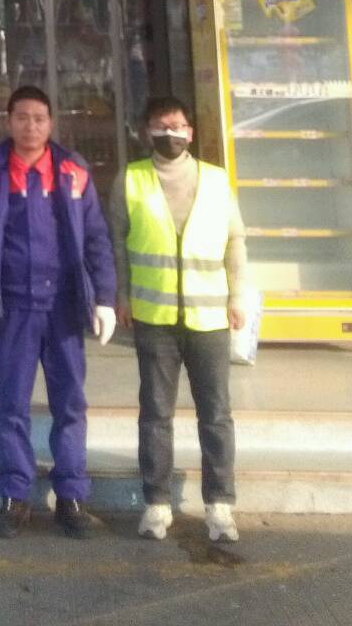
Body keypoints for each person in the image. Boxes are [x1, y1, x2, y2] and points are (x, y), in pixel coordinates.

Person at [0, 85, 117, 540]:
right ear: (9, 122)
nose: (31, 126)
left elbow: (96, 239)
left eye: (39, 118)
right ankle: (15, 495)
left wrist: (104, 298)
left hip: (63, 306)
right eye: (22, 117)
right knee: (11, 405)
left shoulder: (72, 172)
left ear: (51, 123)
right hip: (10, 307)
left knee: (70, 404)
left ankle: (71, 494)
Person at [110, 95, 248, 544]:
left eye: (178, 126)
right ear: (146, 131)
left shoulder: (216, 180)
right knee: (155, 414)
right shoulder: (131, 179)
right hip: (154, 318)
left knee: (216, 414)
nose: (170, 133)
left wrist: (238, 296)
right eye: (161, 126)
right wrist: (122, 296)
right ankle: (156, 502)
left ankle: (220, 503)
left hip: (210, 316)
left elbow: (235, 241)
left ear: (190, 131)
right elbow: (117, 244)